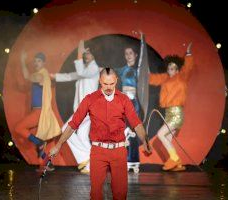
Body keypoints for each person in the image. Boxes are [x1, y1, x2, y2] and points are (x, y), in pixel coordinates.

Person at [50, 68, 152, 200]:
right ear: (99, 81)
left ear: (116, 81)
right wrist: (58, 145)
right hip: (98, 151)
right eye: (105, 84)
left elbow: (136, 124)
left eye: (111, 84)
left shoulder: (123, 100)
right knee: (96, 193)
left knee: (120, 193)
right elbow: (73, 124)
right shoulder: (90, 99)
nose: (108, 87)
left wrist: (145, 140)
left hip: (118, 151)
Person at [50, 40, 100, 174]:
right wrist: (55, 76)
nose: (86, 55)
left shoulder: (94, 68)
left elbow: (81, 73)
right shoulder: (85, 70)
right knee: (82, 136)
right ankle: (92, 163)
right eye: (85, 53)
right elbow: (72, 75)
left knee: (66, 129)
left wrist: (79, 53)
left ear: (94, 55)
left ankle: (85, 158)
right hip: (84, 109)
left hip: (87, 109)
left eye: (88, 54)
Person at [149, 42, 193, 171]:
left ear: (178, 69)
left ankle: (174, 159)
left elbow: (188, 67)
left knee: (160, 134)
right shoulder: (165, 78)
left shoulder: (182, 77)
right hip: (168, 113)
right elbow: (152, 79)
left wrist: (189, 54)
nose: (170, 70)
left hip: (176, 113)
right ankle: (177, 164)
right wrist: (142, 72)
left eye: (173, 68)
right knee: (167, 137)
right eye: (168, 68)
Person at [15, 51, 61, 170]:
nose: (36, 63)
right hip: (37, 112)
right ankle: (45, 163)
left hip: (39, 113)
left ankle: (39, 143)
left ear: (44, 63)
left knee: (19, 128)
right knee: (38, 139)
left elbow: (27, 77)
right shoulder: (42, 74)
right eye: (35, 61)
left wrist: (22, 61)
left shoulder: (41, 75)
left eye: (39, 61)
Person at [116, 46, 141, 172]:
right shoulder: (123, 70)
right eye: (126, 53)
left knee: (132, 131)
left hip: (133, 103)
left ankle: (133, 160)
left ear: (136, 55)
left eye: (131, 53)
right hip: (123, 102)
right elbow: (109, 71)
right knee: (123, 131)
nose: (128, 55)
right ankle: (125, 159)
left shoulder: (139, 70)